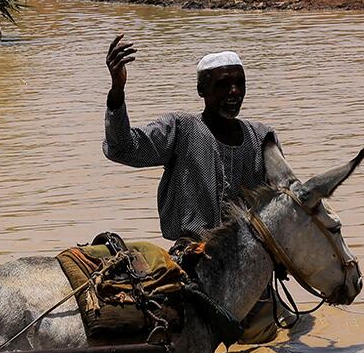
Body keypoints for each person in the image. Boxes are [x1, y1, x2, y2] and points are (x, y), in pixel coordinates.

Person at [102, 35, 283, 243]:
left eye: (239, 83)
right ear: (201, 90)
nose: (234, 92)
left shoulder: (262, 138)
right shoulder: (180, 130)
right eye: (223, 85)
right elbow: (123, 148)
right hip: (192, 256)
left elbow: (283, 198)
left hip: (252, 257)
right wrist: (117, 90)